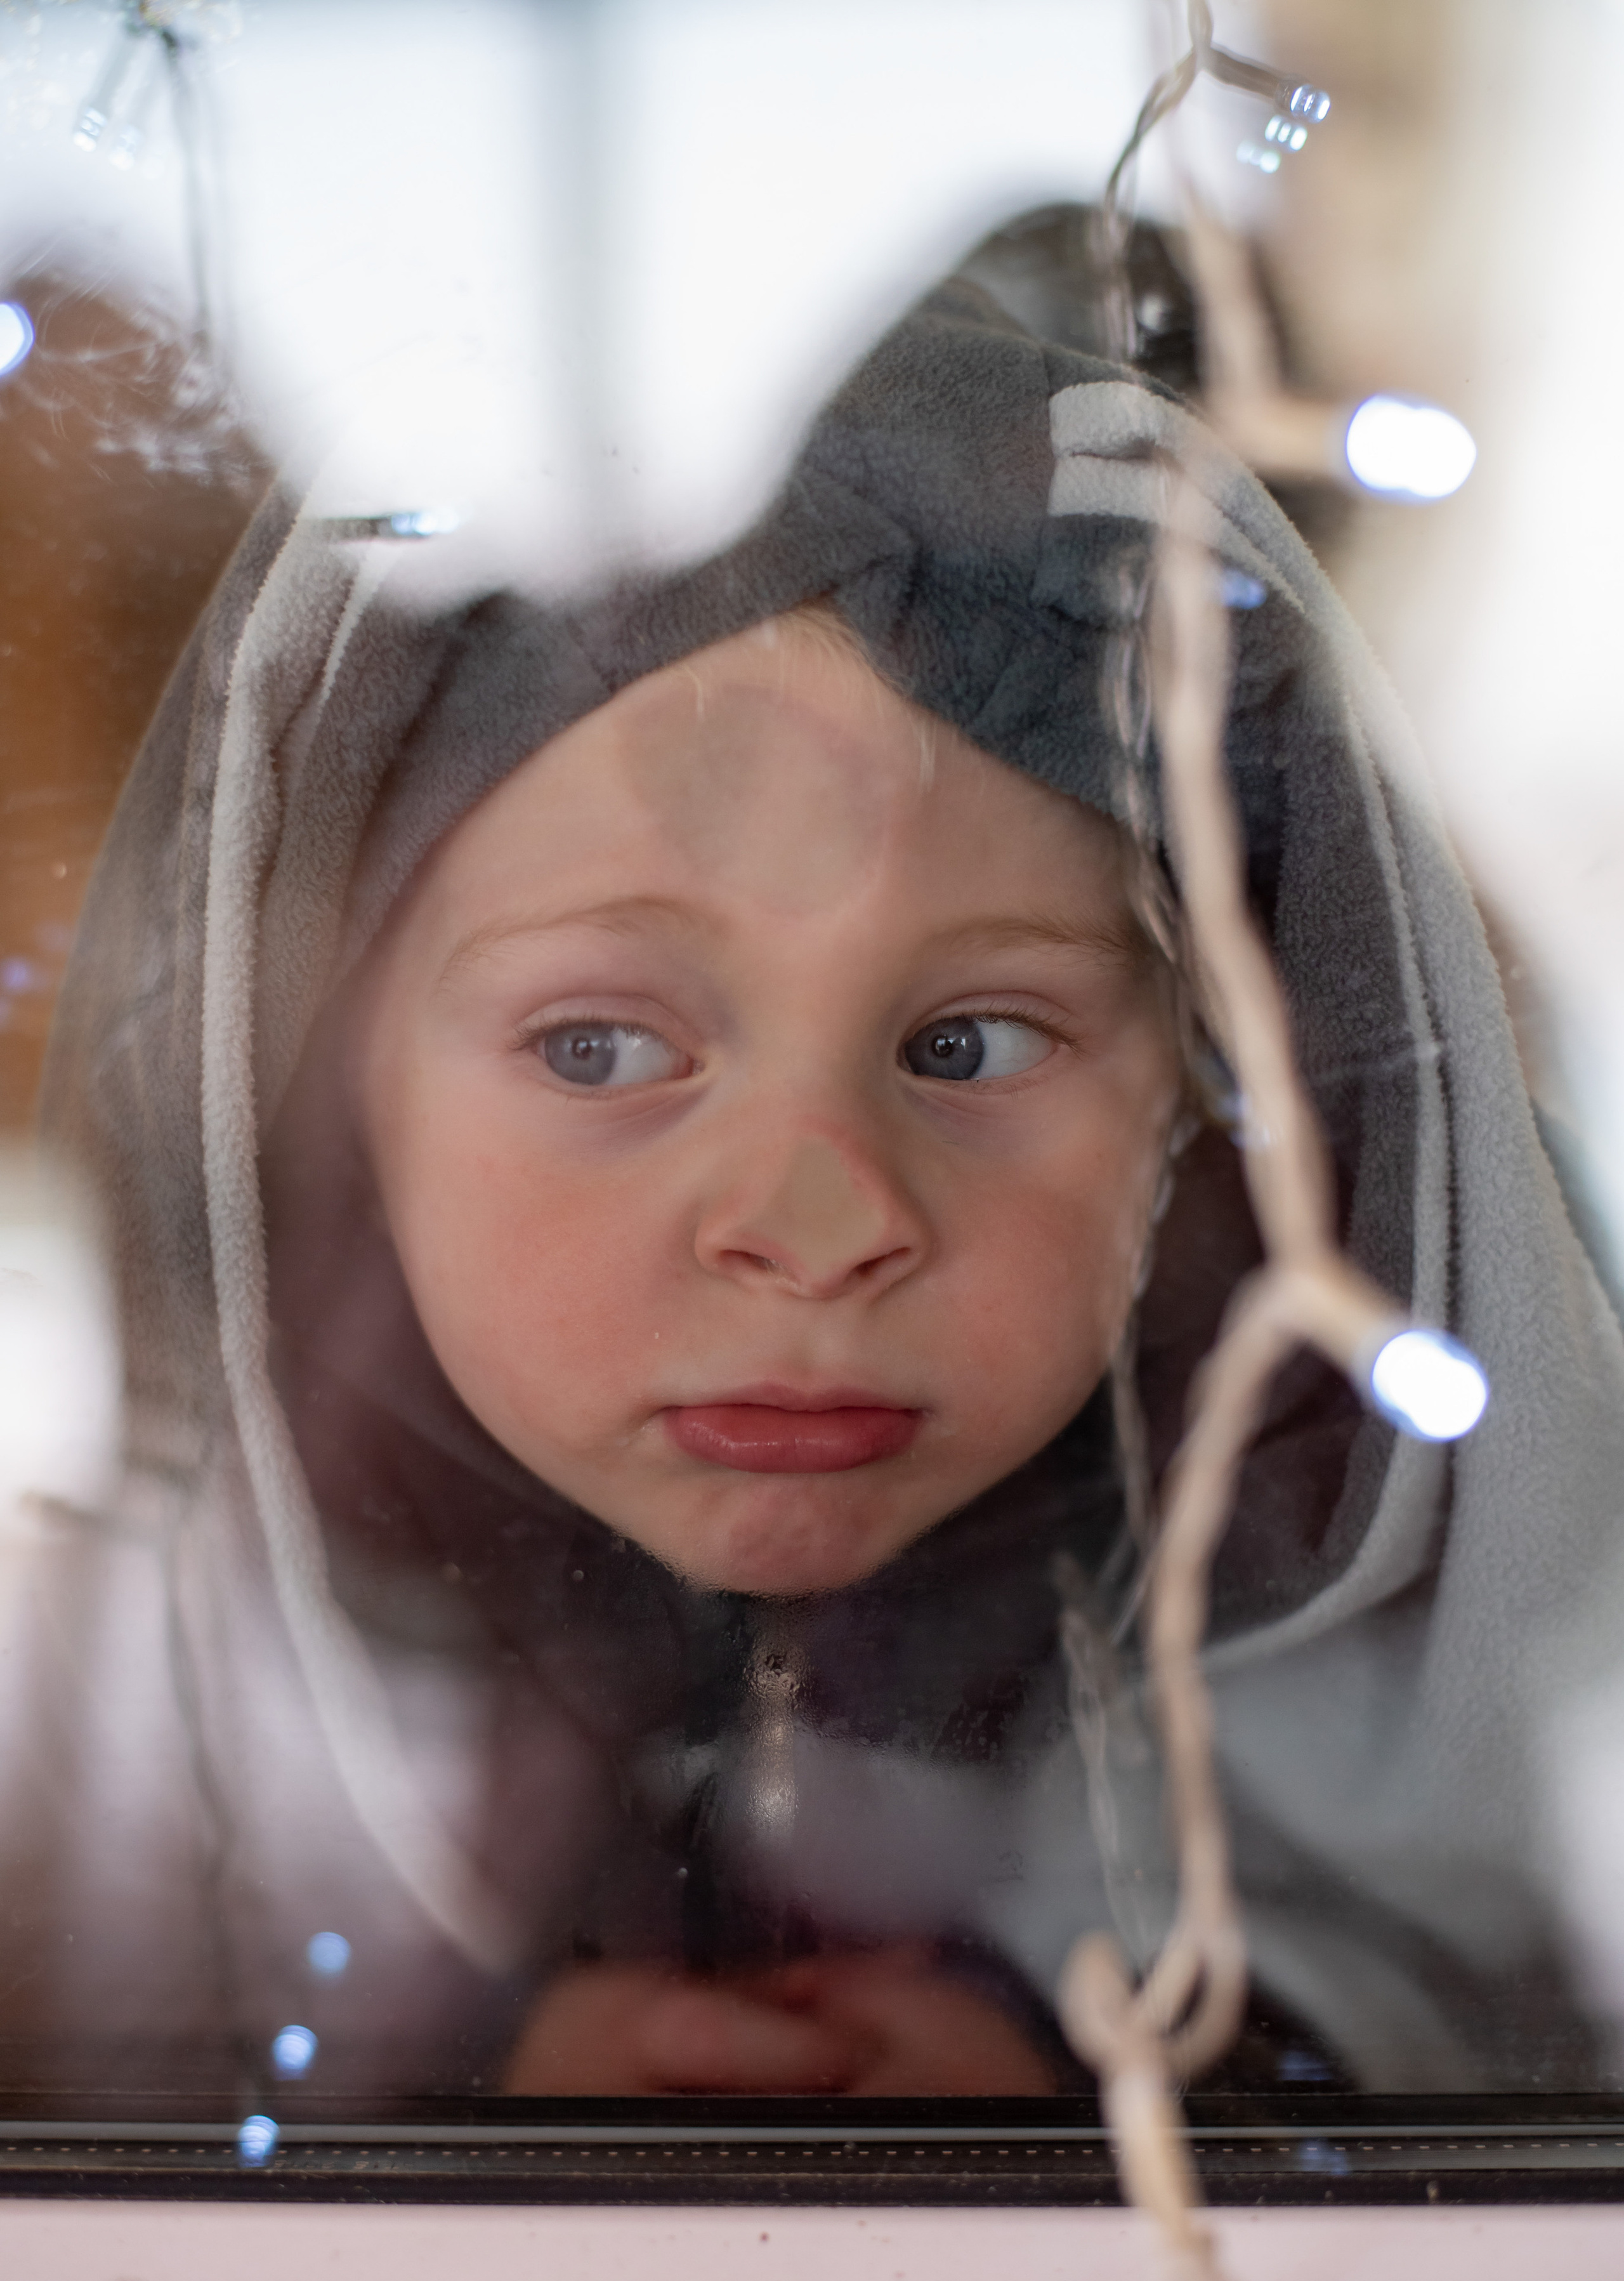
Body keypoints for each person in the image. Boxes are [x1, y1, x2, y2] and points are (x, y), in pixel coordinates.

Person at [6, 221, 1623, 2107]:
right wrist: (442, 2082)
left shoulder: (1331, 1404)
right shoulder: (216, 1616)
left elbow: (1464, 1919)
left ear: (1202, 1100)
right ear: (344, 1087)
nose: (819, 1224)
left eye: (968, 1045)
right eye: (601, 1048)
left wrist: (1164, 2055)